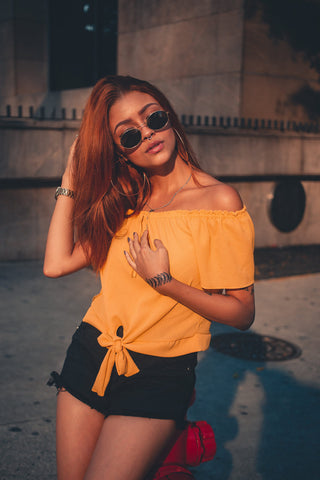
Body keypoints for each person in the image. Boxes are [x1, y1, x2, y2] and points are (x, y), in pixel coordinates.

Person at [43, 75, 255, 480]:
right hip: (92, 353)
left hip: (160, 374)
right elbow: (55, 264)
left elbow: (242, 313)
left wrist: (166, 282)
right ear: (119, 152)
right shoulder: (126, 201)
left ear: (169, 117)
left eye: (153, 117)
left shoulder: (219, 201)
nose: (147, 134)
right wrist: (70, 181)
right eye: (128, 135)